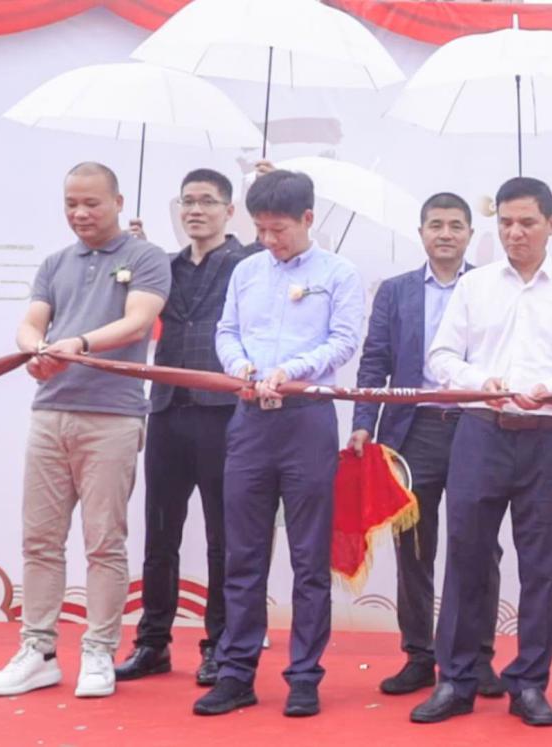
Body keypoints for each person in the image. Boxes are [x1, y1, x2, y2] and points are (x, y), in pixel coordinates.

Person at [411, 177, 552, 728]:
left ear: (551, 225)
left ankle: (530, 683)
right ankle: (456, 679)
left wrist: (550, 387)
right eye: (506, 223)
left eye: (527, 223)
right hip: (480, 432)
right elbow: (441, 356)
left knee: (542, 566)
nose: (515, 233)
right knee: (466, 557)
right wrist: (482, 381)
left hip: (546, 437)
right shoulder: (475, 287)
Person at [0, 162, 170, 698]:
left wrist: (80, 344)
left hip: (112, 416)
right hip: (51, 412)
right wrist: (36, 348)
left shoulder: (145, 258)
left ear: (117, 202)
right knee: (40, 539)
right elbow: (32, 322)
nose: (80, 213)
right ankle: (39, 651)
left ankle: (98, 650)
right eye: (71, 203)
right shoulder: (55, 262)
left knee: (104, 542)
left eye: (91, 203)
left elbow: (138, 320)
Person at [192, 169, 365, 718]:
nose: (269, 240)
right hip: (249, 422)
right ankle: (236, 671)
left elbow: (343, 341)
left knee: (308, 558)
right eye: (261, 229)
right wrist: (241, 367)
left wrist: (291, 371)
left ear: (308, 218)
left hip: (306, 420)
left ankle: (304, 676)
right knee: (243, 554)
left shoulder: (339, 273)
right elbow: (226, 331)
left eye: (280, 229)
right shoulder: (246, 271)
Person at [347, 192, 504, 698]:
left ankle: (477, 656)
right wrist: (364, 422)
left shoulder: (491, 288)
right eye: (436, 225)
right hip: (411, 431)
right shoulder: (395, 292)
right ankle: (419, 655)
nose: (446, 234)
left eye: (456, 225)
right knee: (414, 547)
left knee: (478, 544)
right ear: (421, 233)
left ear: (470, 234)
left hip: (476, 426)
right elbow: (374, 362)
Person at [114, 169, 259, 688]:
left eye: (207, 202)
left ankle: (219, 645)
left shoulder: (249, 263)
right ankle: (152, 642)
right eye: (188, 202)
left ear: (230, 210)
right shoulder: (163, 266)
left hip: (223, 413)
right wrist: (133, 252)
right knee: (160, 533)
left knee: (224, 538)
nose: (196, 210)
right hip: (167, 409)